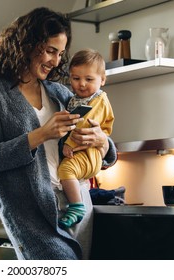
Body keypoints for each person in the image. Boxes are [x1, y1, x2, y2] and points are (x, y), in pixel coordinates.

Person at [0, 7, 117, 260]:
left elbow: (106, 153)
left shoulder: (58, 92)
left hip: (78, 201)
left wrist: (103, 141)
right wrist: (41, 134)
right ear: (26, 44)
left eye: (60, 53)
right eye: (49, 51)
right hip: (33, 214)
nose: (56, 61)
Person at [58, 49, 115, 228]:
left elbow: (84, 125)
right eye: (76, 79)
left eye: (89, 79)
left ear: (102, 79)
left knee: (66, 171)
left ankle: (76, 207)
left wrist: (68, 144)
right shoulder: (76, 98)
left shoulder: (98, 100)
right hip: (87, 151)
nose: (82, 84)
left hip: (89, 152)